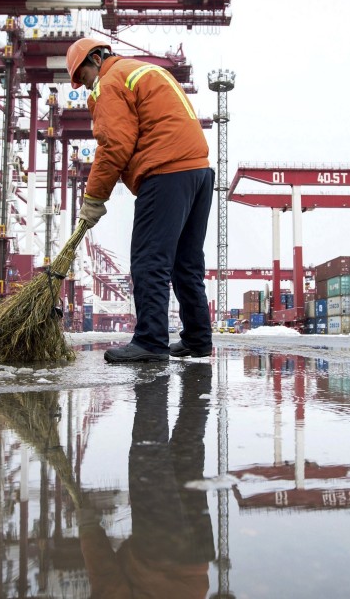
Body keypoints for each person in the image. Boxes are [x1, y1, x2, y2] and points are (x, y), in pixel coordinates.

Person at [66, 37, 214, 363]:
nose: (87, 86)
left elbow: (114, 145)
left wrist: (93, 198)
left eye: (84, 78)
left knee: (149, 261)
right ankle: (198, 339)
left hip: (165, 172)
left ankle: (150, 341)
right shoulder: (142, 70)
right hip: (199, 172)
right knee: (186, 264)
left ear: (95, 60)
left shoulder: (111, 81)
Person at [77, 363, 216, 597]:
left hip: (198, 565)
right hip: (158, 556)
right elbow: (107, 580)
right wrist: (89, 528)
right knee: (148, 455)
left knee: (188, 451)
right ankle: (154, 376)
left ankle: (199, 372)